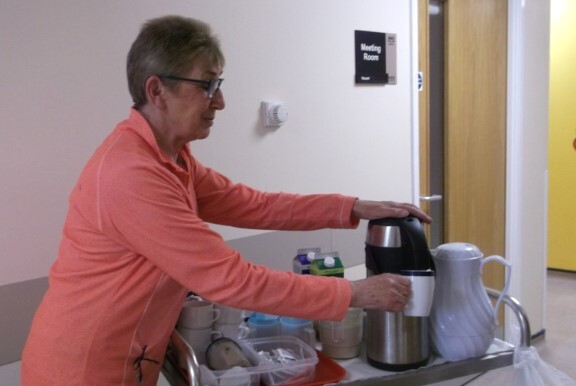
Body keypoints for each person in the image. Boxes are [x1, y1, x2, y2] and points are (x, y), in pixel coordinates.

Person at [21, 15, 432, 386]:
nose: (220, 101)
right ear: (157, 90)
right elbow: (231, 279)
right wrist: (354, 294)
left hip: (127, 360)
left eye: (219, 85)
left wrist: (353, 207)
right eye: (208, 85)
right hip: (82, 368)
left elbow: (253, 205)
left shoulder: (169, 157)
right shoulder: (130, 174)